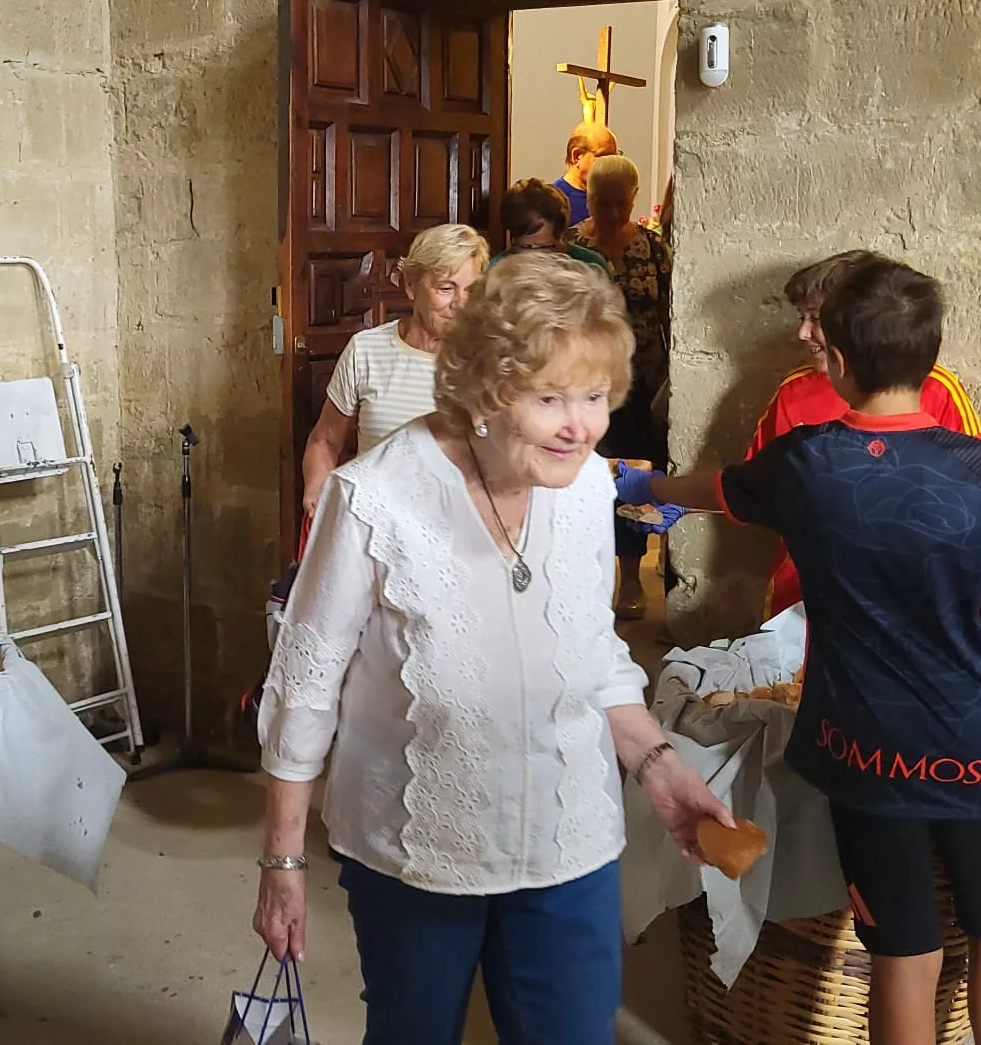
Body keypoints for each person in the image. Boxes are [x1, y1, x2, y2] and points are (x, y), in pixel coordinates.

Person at [252, 253, 733, 1045]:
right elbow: (304, 687)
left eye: (594, 396)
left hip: (568, 839)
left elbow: (592, 652)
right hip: (419, 850)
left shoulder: (583, 487)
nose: (581, 425)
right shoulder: (374, 499)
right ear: (482, 386)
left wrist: (659, 764)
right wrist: (282, 862)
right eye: (550, 398)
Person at [623, 258, 981, 1045]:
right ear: (928, 352)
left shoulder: (805, 459)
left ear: (836, 360)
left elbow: (721, 487)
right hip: (977, 753)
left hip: (866, 755)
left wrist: (645, 489)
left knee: (902, 953)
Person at [749, 249, 981, 617]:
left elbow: (977, 497)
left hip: (909, 605)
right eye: (802, 317)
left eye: (815, 319)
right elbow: (752, 489)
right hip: (804, 605)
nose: (802, 333)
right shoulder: (794, 393)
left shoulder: (937, 390)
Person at [299, 223, 489, 521]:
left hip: (459, 528)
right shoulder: (366, 351)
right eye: (446, 288)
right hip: (374, 524)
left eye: (472, 290)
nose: (460, 304)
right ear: (411, 286)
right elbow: (325, 440)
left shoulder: (492, 362)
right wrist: (317, 490)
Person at [564, 155, 674, 618]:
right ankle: (579, 580)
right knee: (576, 476)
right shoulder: (570, 245)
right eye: (599, 203)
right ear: (587, 197)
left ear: (633, 198)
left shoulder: (652, 250)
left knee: (629, 481)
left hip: (637, 386)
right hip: (579, 382)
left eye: (619, 205)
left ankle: (630, 580)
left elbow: (672, 315)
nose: (610, 215)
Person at [494, 178, 610, 274]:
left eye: (542, 248)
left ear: (560, 237)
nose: (532, 257)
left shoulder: (593, 268)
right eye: (525, 248)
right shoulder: (496, 270)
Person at [555, 121, 619, 226]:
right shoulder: (556, 202)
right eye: (604, 156)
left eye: (614, 157)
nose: (611, 164)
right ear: (577, 156)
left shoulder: (611, 196)